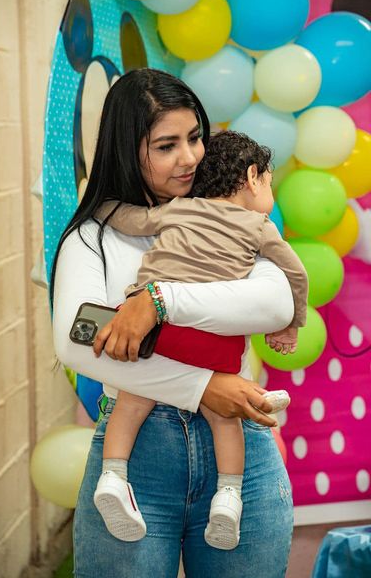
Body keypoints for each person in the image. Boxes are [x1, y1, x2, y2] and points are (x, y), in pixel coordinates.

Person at [52, 68, 295, 578]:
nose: (190, 157)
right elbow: (79, 340)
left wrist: (159, 301)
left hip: (241, 456)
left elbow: (275, 304)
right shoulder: (93, 237)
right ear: (126, 150)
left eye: (195, 137)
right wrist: (203, 387)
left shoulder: (235, 217)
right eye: (166, 146)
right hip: (136, 457)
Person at [93, 130, 307, 550]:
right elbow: (295, 273)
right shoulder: (259, 226)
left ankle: (113, 477)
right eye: (270, 182)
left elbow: (131, 220)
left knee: (131, 400)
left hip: (151, 327)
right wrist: (292, 323)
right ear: (252, 177)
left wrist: (97, 202)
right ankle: (228, 497)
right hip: (213, 340)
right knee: (225, 418)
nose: (271, 192)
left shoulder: (180, 208)